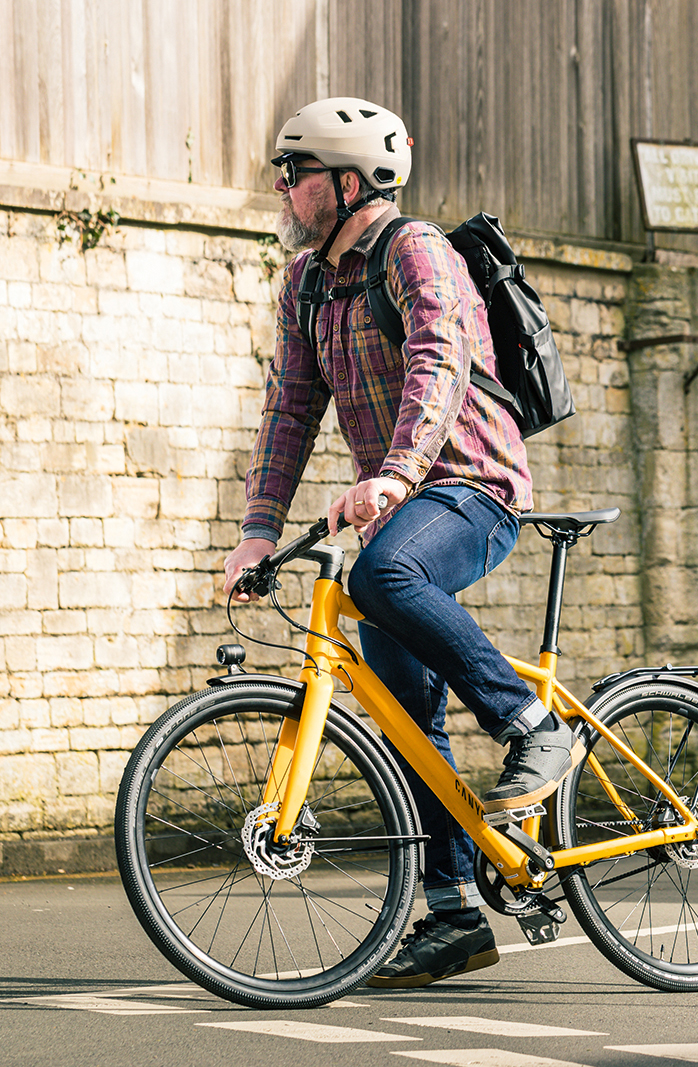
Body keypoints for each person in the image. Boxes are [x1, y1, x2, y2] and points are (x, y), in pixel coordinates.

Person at [222, 97, 583, 989]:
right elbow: (290, 409)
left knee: (384, 573)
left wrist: (395, 472)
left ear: (348, 184)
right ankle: (454, 912)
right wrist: (256, 531)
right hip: (399, 504)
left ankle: (533, 724)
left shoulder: (417, 252)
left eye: (295, 173)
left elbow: (439, 360)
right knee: (402, 707)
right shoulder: (308, 283)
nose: (282, 188)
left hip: (472, 486)